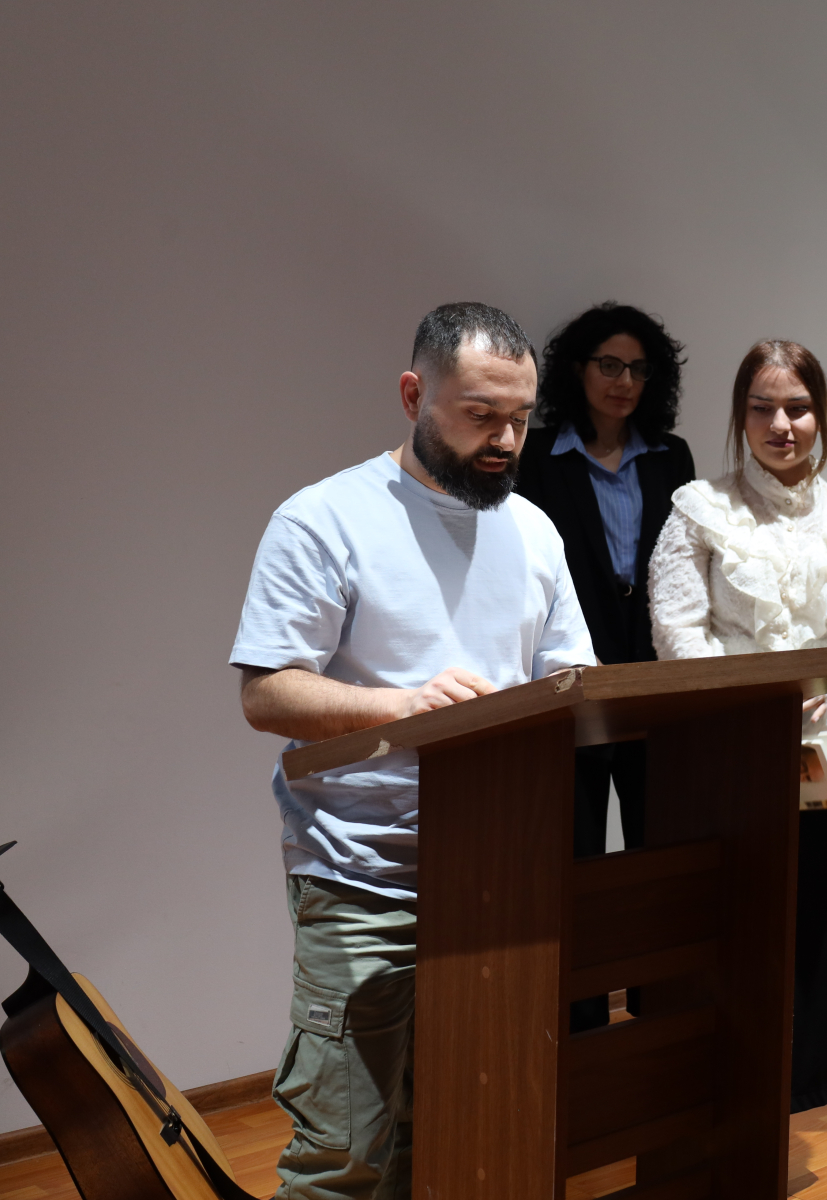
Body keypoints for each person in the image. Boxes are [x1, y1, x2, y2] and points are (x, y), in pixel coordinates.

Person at [230, 303, 595, 1200]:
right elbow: (267, 691)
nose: (505, 440)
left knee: (460, 1145)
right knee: (343, 1157)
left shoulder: (535, 531)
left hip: (500, 882)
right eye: (481, 415)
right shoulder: (324, 519)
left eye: (521, 418)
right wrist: (401, 707)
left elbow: (573, 683)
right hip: (363, 879)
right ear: (412, 395)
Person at [646, 339, 827, 1113]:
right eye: (762, 408)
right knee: (727, 905)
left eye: (797, 408)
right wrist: (750, 696)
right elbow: (677, 629)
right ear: (741, 416)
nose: (781, 425)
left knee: (818, 910)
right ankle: (716, 1079)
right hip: (726, 743)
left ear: (820, 415)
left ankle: (801, 1087)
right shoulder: (700, 509)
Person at [515, 302, 695, 855]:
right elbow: (527, 572)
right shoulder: (538, 456)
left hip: (653, 672)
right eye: (610, 366)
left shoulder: (670, 457)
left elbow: (683, 568)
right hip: (573, 672)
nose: (625, 382)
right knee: (576, 846)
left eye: (638, 370)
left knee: (660, 841)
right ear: (578, 368)